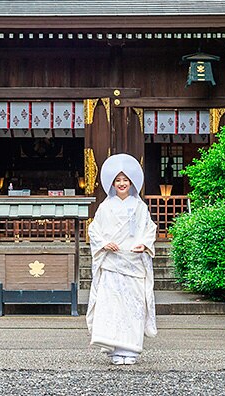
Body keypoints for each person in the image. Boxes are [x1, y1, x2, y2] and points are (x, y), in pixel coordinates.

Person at [86, 153, 157, 365]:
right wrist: (103, 243)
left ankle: (132, 349)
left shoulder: (140, 207)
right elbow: (94, 230)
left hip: (133, 263)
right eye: (118, 180)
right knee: (112, 307)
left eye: (125, 180)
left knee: (132, 306)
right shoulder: (105, 207)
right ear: (112, 183)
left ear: (132, 182)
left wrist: (144, 244)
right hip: (112, 263)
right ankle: (114, 348)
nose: (122, 183)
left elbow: (149, 229)